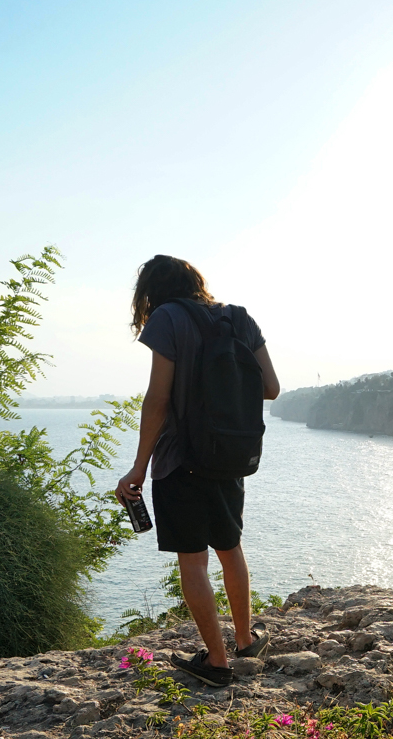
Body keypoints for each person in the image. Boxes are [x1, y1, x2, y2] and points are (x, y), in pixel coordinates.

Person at [115, 255, 280, 684]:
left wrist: (138, 466)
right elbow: (271, 388)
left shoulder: (167, 318)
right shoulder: (240, 319)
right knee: (231, 548)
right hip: (229, 456)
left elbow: (158, 399)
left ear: (150, 293)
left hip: (180, 459)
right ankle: (246, 641)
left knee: (193, 562)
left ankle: (218, 664)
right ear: (196, 282)